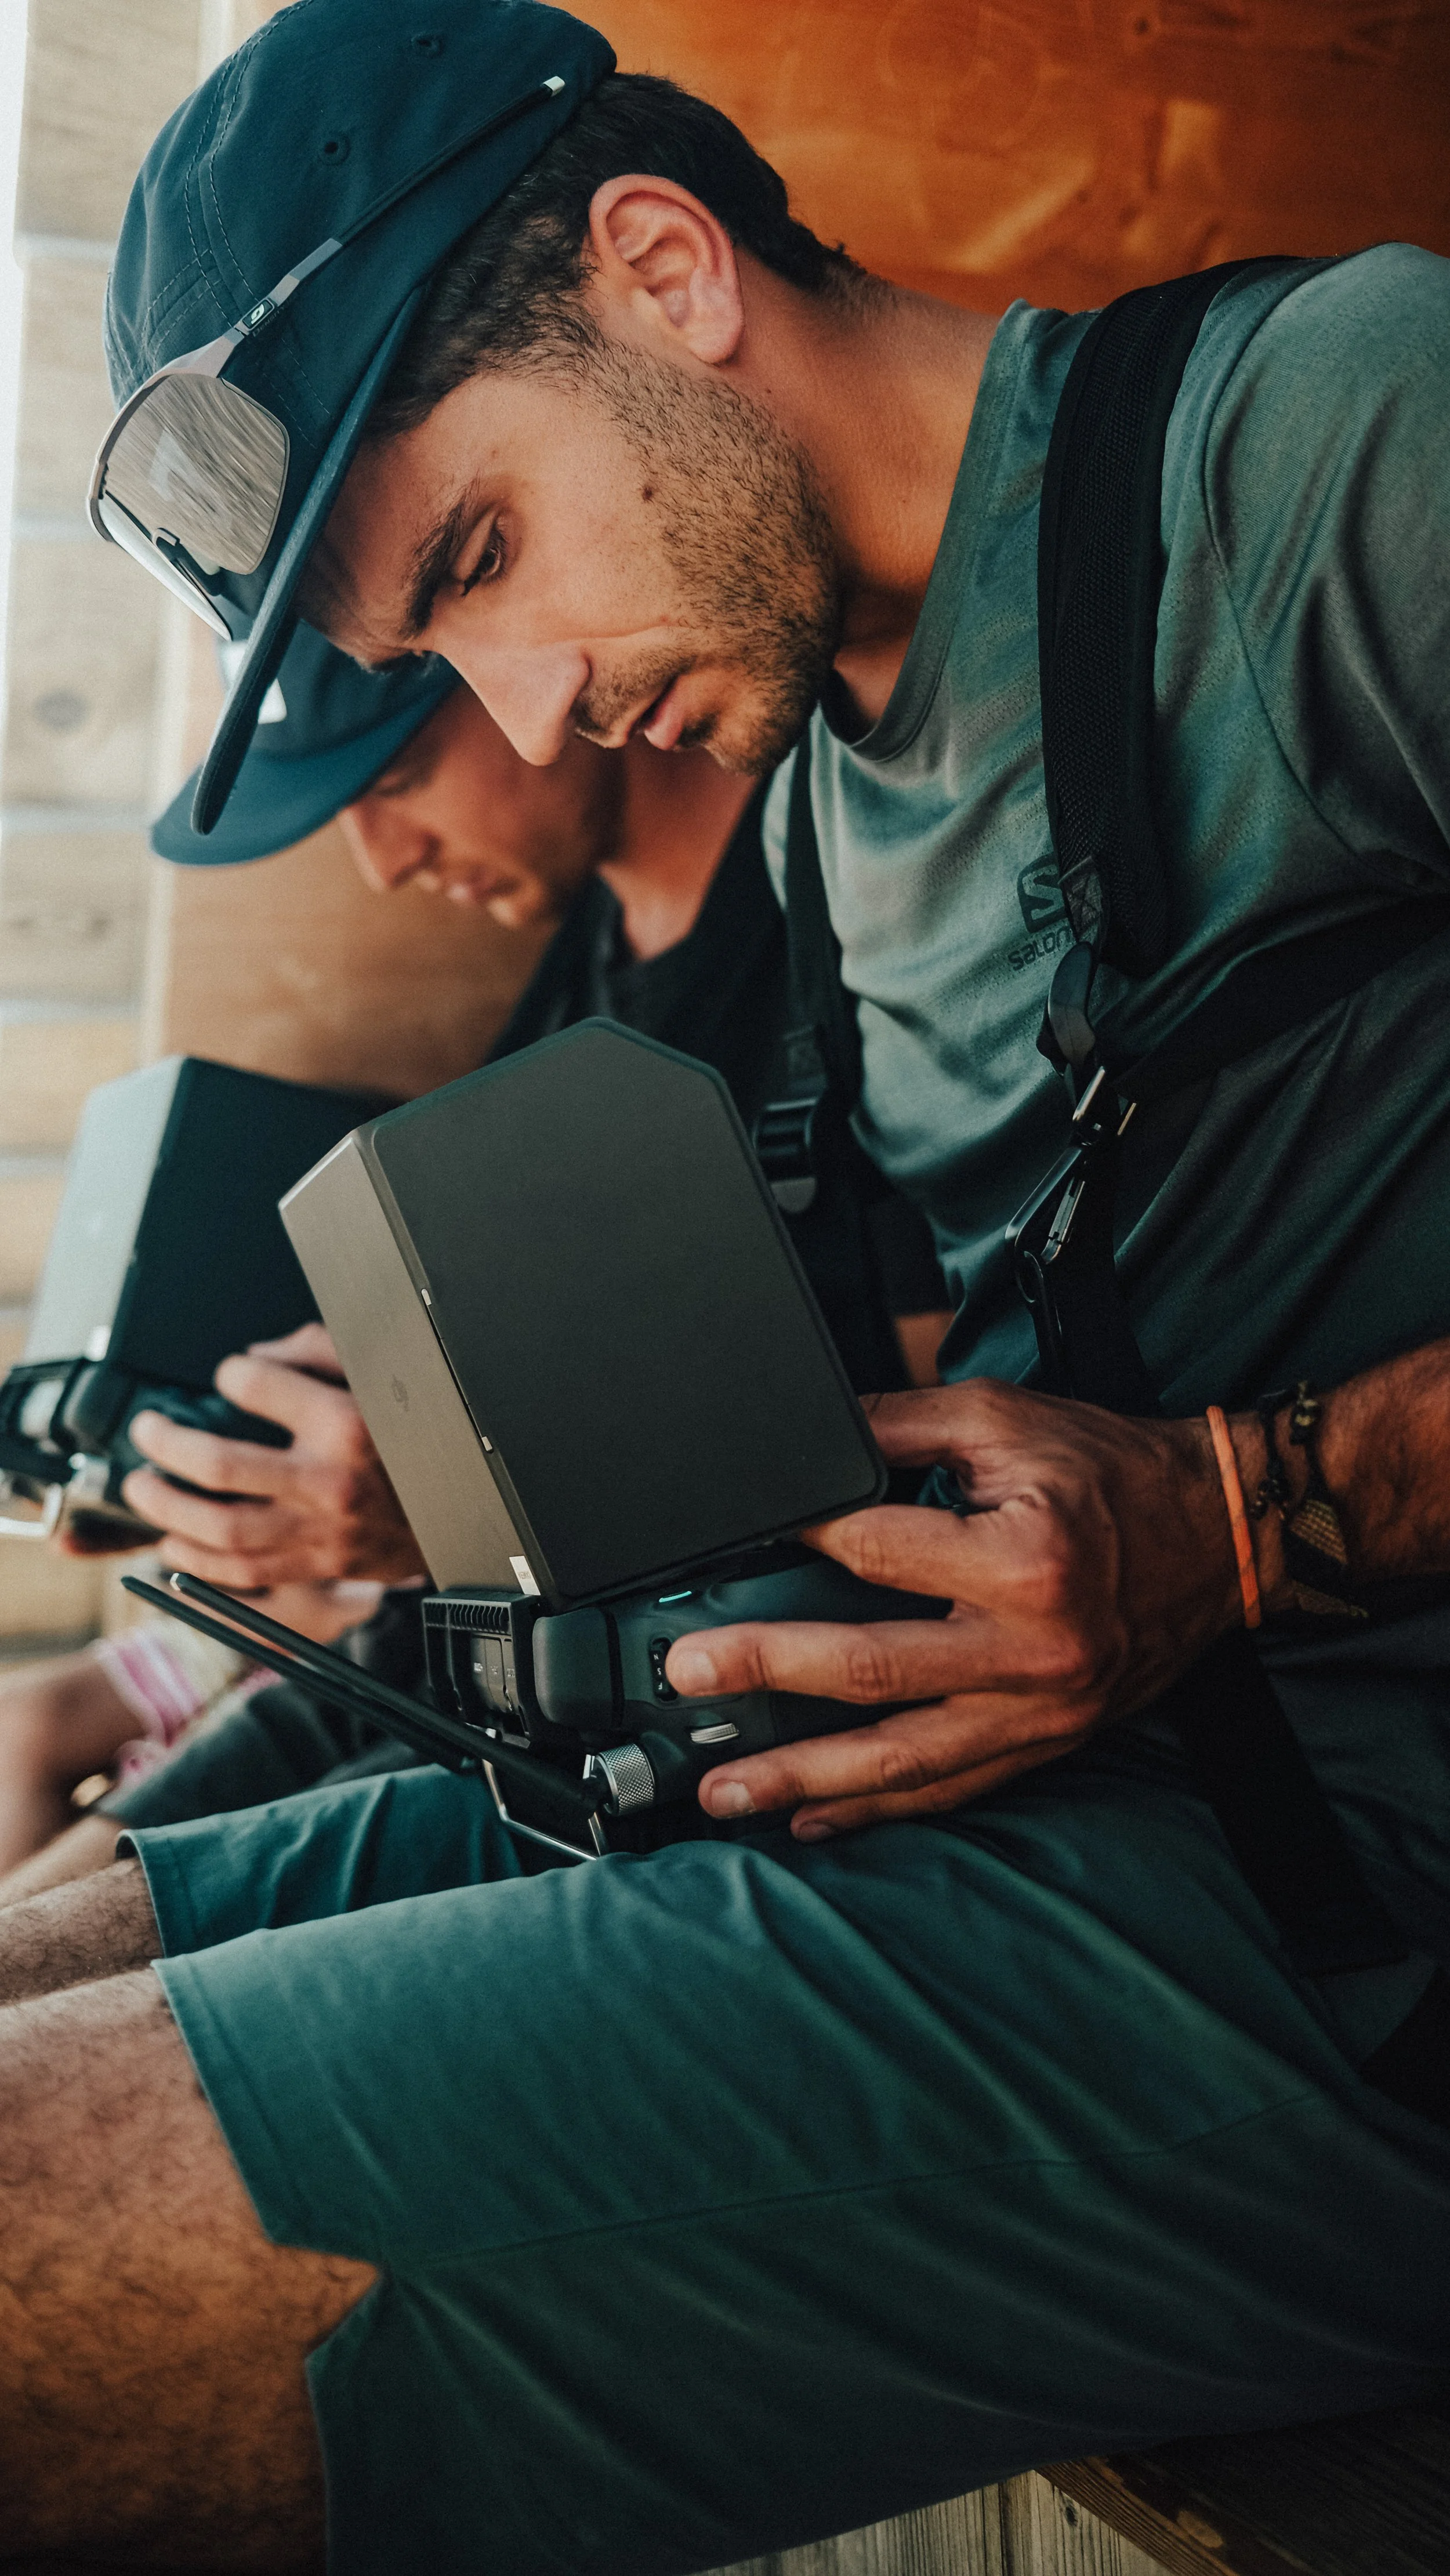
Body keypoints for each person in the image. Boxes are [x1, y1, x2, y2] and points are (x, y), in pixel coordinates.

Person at [5, 5, 1449, 2569]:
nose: (534, 705)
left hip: (1347, 1922)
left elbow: (1195, 1476)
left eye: (478, 559)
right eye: (436, 663)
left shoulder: (1342, 436)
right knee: (42, 1959)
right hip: (1023, 1804)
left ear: (666, 268)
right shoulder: (821, 801)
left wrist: (1246, 1516)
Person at [0, 622, 947, 1901]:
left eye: (396, 782)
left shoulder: (841, 924)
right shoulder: (570, 993)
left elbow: (956, 1442)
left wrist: (448, 1521)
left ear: (516, 660)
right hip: (429, 1674)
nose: (384, 861)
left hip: (687, 1751)